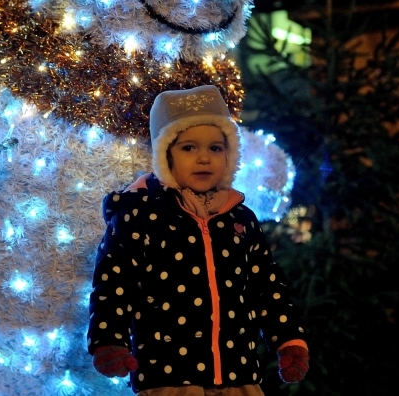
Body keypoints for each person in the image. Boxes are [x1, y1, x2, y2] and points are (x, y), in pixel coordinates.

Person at [87, 85, 309, 395]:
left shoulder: (240, 219)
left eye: (215, 148)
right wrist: (109, 340)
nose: (204, 158)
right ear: (166, 156)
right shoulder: (138, 216)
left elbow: (266, 286)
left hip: (239, 374)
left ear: (230, 155)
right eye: (189, 148)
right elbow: (114, 281)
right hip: (169, 376)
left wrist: (288, 339)